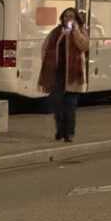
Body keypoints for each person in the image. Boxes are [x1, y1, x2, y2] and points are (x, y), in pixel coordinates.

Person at [38, 7, 90, 142]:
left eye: (72, 16)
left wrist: (76, 31)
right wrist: (48, 63)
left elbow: (84, 46)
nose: (69, 18)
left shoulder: (80, 31)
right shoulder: (56, 32)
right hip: (57, 75)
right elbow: (45, 48)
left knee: (70, 106)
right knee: (57, 106)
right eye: (66, 16)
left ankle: (69, 133)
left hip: (73, 76)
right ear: (62, 18)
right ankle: (60, 131)